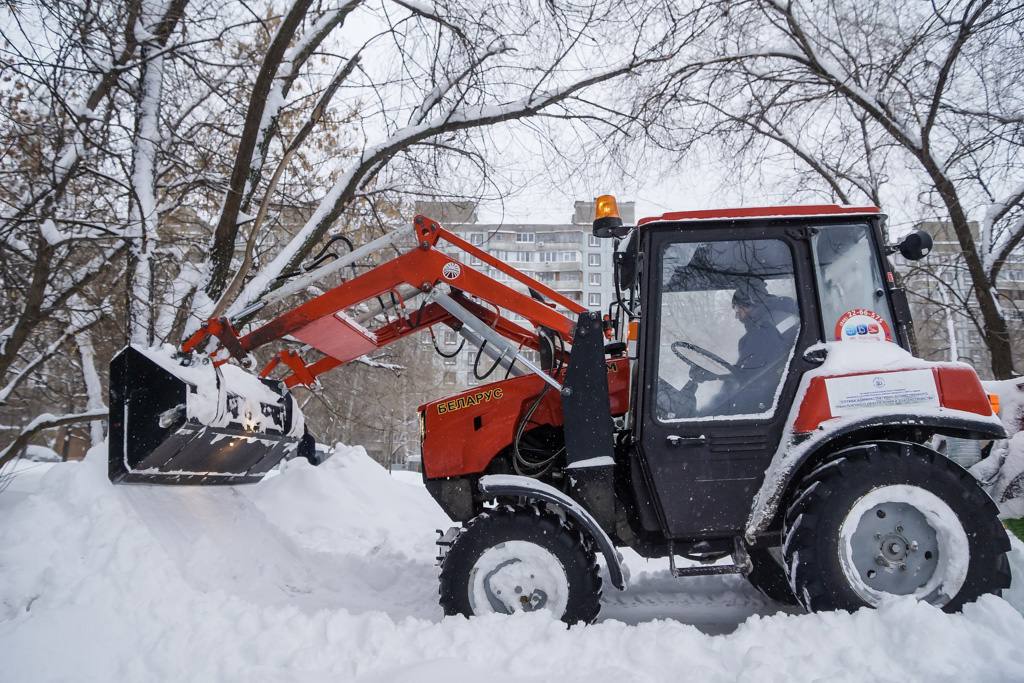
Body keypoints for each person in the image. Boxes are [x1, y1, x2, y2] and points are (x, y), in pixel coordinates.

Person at [718, 279, 798, 414]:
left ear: (750, 303)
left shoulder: (762, 331)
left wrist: (717, 404)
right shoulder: (783, 315)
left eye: (738, 308)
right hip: (786, 386)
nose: (737, 315)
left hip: (771, 398)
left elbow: (746, 374)